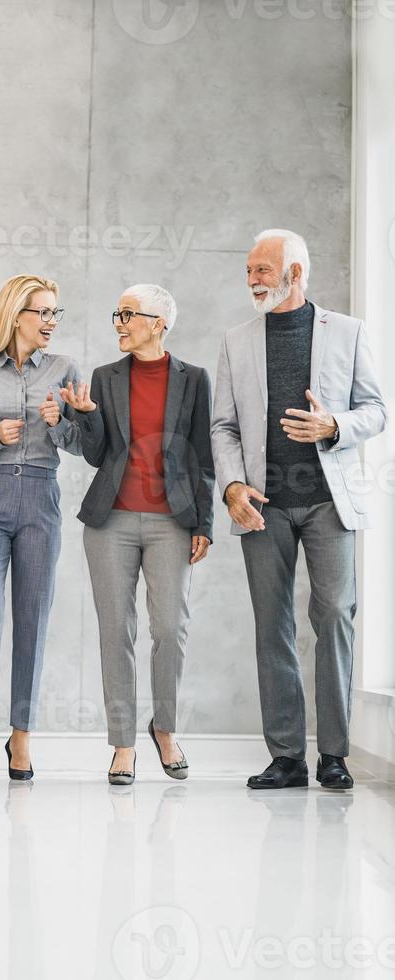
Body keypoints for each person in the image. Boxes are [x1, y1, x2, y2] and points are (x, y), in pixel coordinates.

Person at [211, 228, 387, 791]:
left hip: (328, 502)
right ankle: (286, 757)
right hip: (264, 504)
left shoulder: (349, 332)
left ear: (296, 272)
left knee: (334, 615)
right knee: (273, 625)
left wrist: (335, 425)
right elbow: (224, 426)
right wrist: (233, 486)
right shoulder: (236, 340)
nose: (253, 280)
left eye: (263, 270)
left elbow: (376, 411)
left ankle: (334, 753)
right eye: (249, 270)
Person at [62, 284, 214, 785]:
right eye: (117, 314)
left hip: (173, 520)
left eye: (129, 314)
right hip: (111, 521)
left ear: (158, 323)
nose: (119, 322)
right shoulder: (105, 378)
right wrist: (86, 417)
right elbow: (96, 453)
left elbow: (203, 457)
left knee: (170, 630)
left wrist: (204, 524)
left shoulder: (194, 379)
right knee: (116, 632)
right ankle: (123, 743)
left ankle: (164, 729)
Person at [0, 274, 81, 780]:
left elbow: (82, 444)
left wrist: (59, 423)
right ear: (15, 316)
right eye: (42, 312)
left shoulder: (66, 370)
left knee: (33, 622)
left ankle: (21, 738)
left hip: (42, 501)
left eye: (55, 313)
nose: (51, 322)